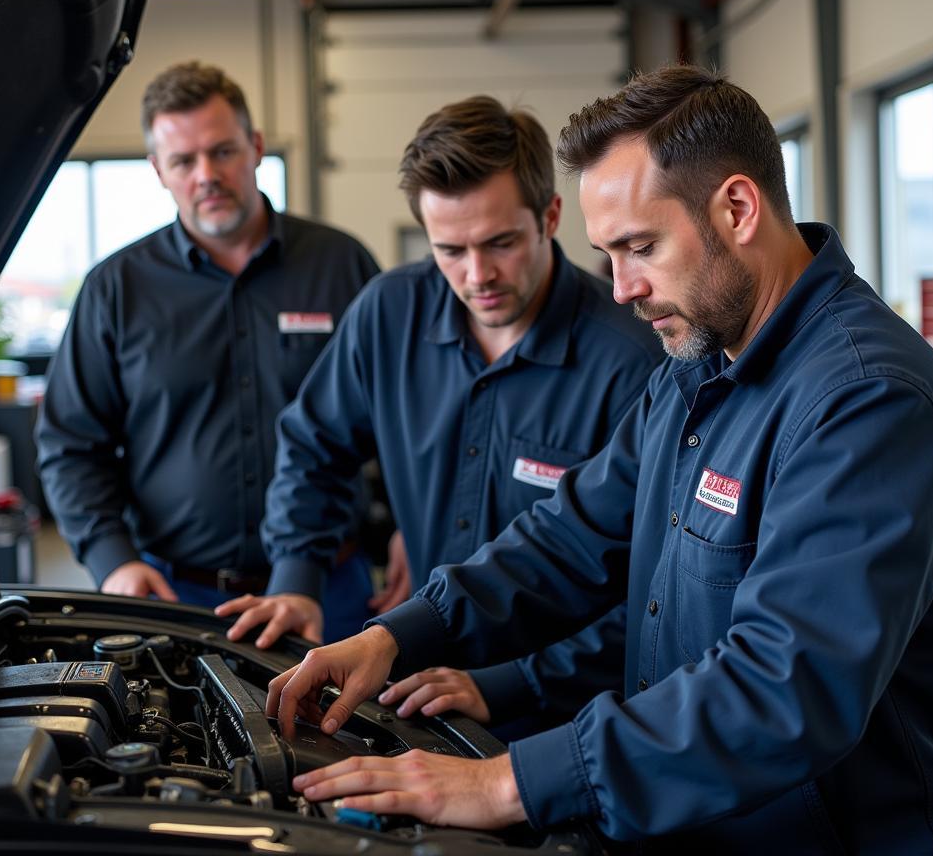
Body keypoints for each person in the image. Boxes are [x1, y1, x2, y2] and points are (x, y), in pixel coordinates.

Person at [267, 66, 933, 853]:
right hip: (690, 822)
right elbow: (572, 538)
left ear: (737, 209)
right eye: (608, 254)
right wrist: (397, 635)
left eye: (640, 247)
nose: (619, 288)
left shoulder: (869, 402)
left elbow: (783, 691)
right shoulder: (697, 367)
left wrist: (508, 782)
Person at [223, 94, 662, 730]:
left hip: (564, 715)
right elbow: (314, 444)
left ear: (551, 215)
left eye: (501, 242)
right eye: (449, 250)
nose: (477, 273)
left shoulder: (633, 362)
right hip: (414, 687)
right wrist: (297, 577)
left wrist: (508, 683)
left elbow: (650, 587)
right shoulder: (387, 314)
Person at [37, 60, 380, 642]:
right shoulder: (116, 289)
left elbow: (399, 416)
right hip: (177, 597)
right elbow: (71, 442)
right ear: (157, 169)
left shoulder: (342, 266)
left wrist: (400, 531)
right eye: (183, 160)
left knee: (346, 735)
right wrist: (111, 557)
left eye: (222, 151)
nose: (206, 175)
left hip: (331, 587)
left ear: (255, 147)